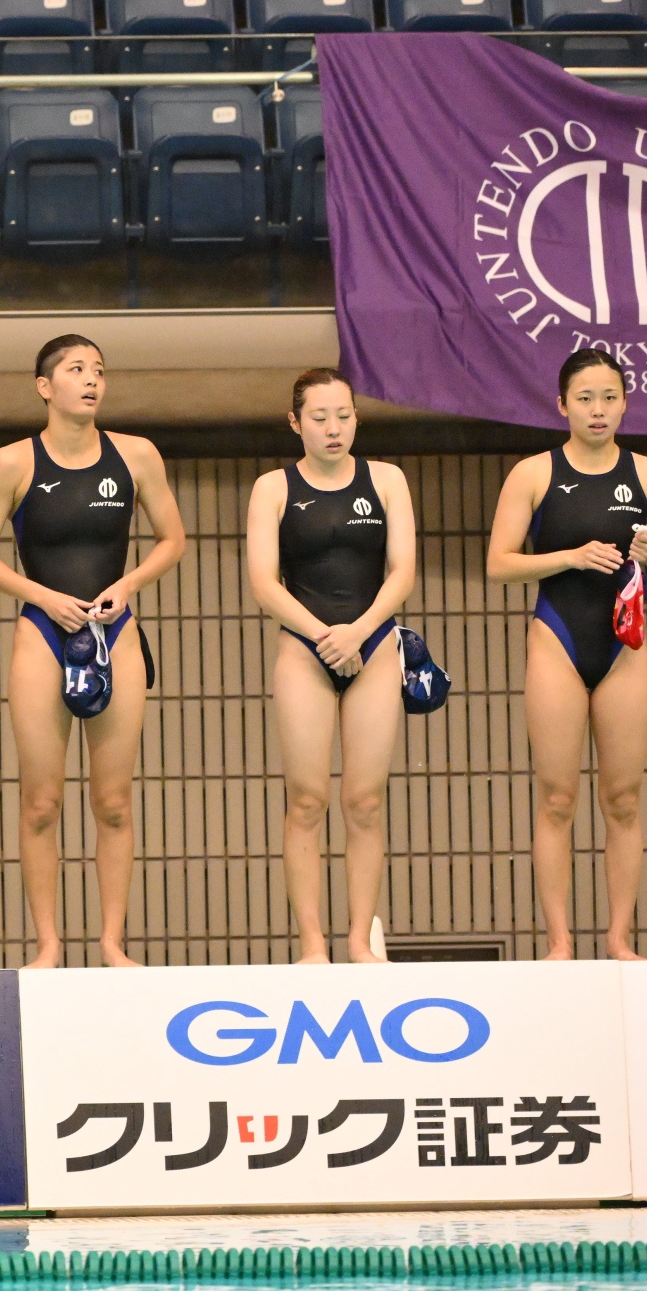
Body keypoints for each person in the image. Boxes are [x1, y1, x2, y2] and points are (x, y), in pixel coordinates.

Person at [0, 335, 185, 969]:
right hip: (42, 630)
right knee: (42, 802)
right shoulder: (12, 463)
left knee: (113, 801)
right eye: (76, 370)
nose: (91, 380)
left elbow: (173, 538)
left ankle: (112, 942)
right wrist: (44, 596)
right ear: (45, 386)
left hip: (115, 631)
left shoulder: (136, 455)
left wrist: (128, 585)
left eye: (99, 371)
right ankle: (48, 944)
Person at [486, 349, 647, 961]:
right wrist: (570, 557)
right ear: (562, 406)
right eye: (584, 399)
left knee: (623, 799)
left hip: (625, 649)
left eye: (608, 398)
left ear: (625, 403)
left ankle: (620, 938)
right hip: (557, 641)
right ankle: (559, 942)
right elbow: (498, 564)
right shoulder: (533, 474)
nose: (597, 410)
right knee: (557, 797)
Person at [244, 368, 416, 965]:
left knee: (364, 801)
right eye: (319, 418)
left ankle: (359, 940)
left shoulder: (387, 480)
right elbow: (264, 583)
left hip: (373, 644)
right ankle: (312, 943)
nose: (333, 428)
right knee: (307, 799)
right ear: (296, 423)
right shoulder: (272, 488)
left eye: (344, 415)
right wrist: (325, 636)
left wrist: (359, 632)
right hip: (304, 648)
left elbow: (402, 571)